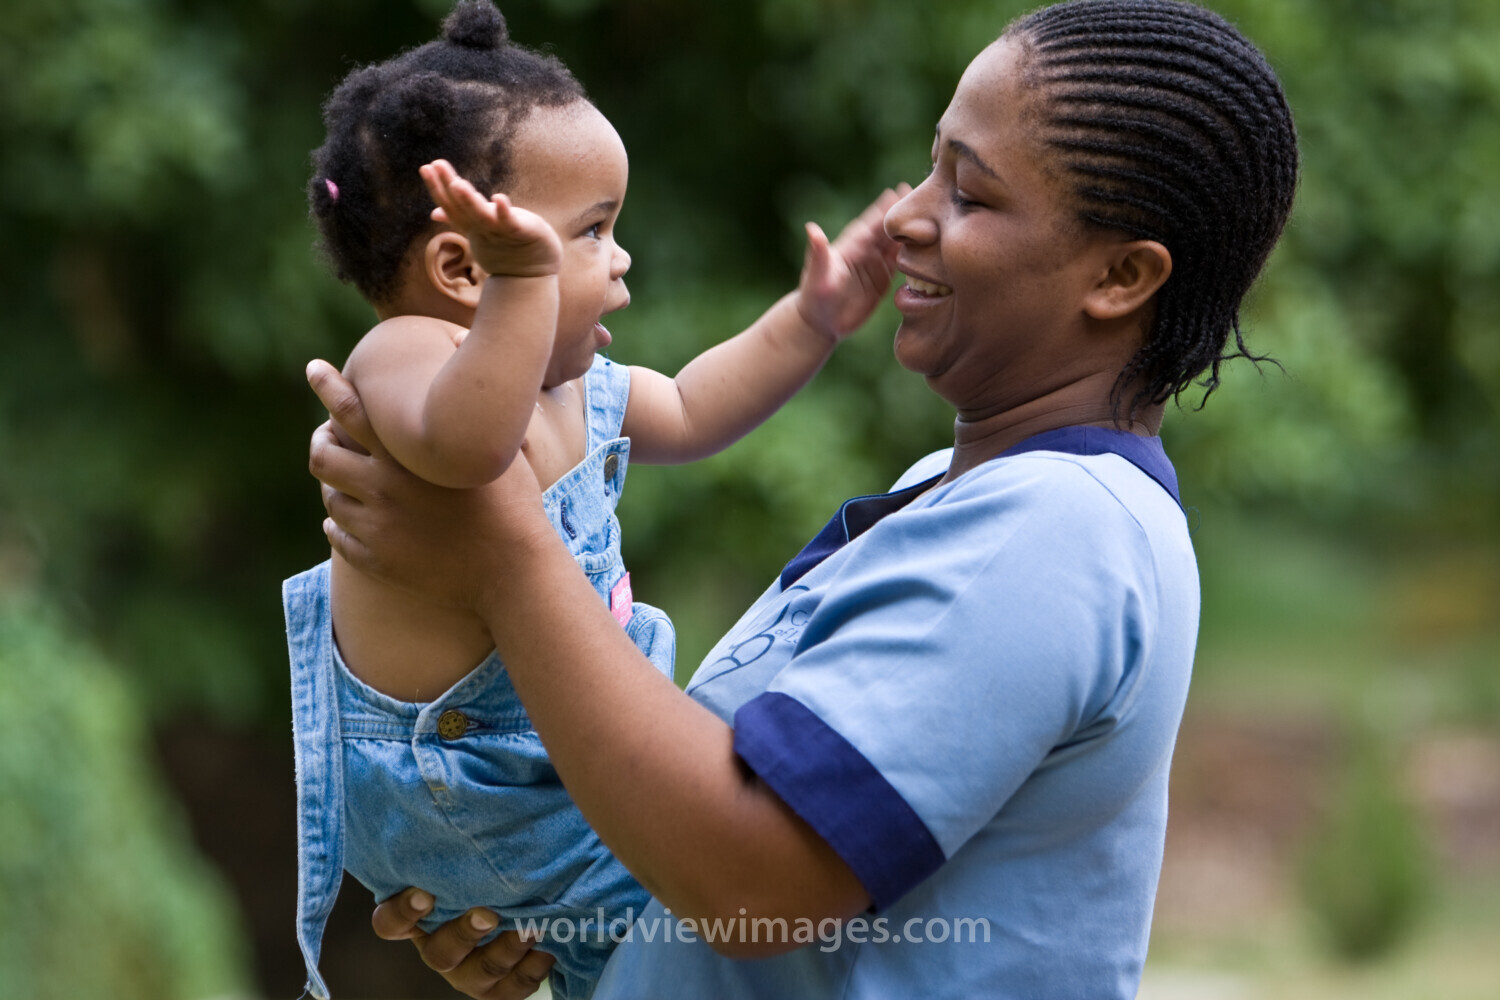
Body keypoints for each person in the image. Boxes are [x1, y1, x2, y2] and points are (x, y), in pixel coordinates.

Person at [306, 0, 1299, 996]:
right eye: (931, 169)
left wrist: (499, 552)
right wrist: (544, 900)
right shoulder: (949, 496)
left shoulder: (1054, 532)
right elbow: (718, 858)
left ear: (1120, 276)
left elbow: (751, 884)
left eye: (970, 194)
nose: (906, 215)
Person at [284, 2, 901, 998]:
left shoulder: (575, 388)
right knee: (688, 920)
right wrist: (524, 289)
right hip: (465, 774)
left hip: (542, 768)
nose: (620, 259)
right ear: (464, 267)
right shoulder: (405, 356)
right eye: (593, 231)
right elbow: (470, 451)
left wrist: (812, 319)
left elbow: (694, 407)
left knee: (655, 926)